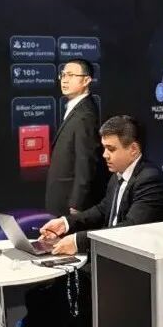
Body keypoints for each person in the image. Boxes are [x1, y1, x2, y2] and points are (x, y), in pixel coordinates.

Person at [39, 115, 163, 327]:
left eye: (111, 149)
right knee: (58, 286)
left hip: (137, 269)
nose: (104, 155)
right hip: (111, 258)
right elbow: (102, 210)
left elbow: (130, 230)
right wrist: (66, 223)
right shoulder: (118, 177)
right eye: (104, 148)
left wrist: (78, 241)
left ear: (133, 149)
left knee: (79, 286)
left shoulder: (150, 180)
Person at [45, 59, 105, 218]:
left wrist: (78, 203)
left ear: (86, 80)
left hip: (70, 205)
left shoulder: (85, 115)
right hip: (61, 199)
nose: (64, 80)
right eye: (63, 75)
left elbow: (86, 162)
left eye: (71, 75)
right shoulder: (75, 108)